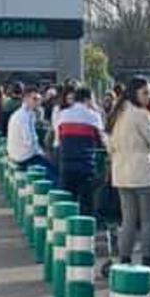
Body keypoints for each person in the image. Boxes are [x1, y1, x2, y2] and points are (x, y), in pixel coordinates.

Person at [106, 76, 150, 267]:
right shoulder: (141, 115)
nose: (148, 97)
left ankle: (124, 259)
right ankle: (147, 260)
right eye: (145, 92)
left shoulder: (117, 114)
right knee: (147, 221)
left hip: (121, 173)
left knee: (128, 220)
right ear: (134, 93)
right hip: (144, 173)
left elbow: (109, 146)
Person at [56, 86, 106, 215]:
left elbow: (58, 139)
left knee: (67, 203)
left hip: (66, 164)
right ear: (87, 99)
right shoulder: (93, 116)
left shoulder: (62, 114)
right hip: (86, 166)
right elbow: (102, 141)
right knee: (86, 204)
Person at [7, 86, 56, 179]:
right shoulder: (24, 117)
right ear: (26, 99)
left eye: (38, 99)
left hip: (16, 155)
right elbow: (29, 142)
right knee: (54, 173)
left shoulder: (23, 114)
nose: (37, 102)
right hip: (24, 158)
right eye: (34, 99)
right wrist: (43, 153)